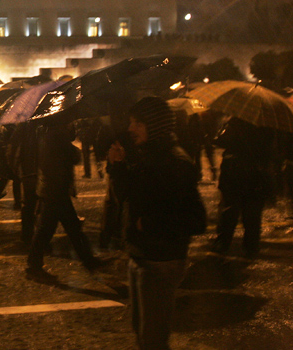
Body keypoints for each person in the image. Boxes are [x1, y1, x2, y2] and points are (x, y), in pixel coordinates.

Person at [108, 96, 207, 350]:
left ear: (156, 126)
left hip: (160, 261)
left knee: (152, 339)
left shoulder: (174, 162)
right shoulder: (147, 156)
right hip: (141, 254)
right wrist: (117, 167)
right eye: (131, 122)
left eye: (138, 123)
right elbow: (127, 197)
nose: (131, 129)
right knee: (141, 332)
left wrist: (150, 225)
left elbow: (196, 219)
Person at [26, 121, 101, 283]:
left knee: (71, 228)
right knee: (49, 230)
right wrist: (72, 144)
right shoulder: (57, 135)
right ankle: (33, 266)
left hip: (52, 188)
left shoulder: (46, 132)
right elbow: (73, 157)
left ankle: (88, 260)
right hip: (55, 189)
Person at [211, 117, 274, 258]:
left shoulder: (235, 121)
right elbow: (270, 149)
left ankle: (223, 243)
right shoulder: (267, 125)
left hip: (234, 171)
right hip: (256, 173)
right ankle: (251, 246)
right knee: (253, 213)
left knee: (230, 210)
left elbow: (220, 141)